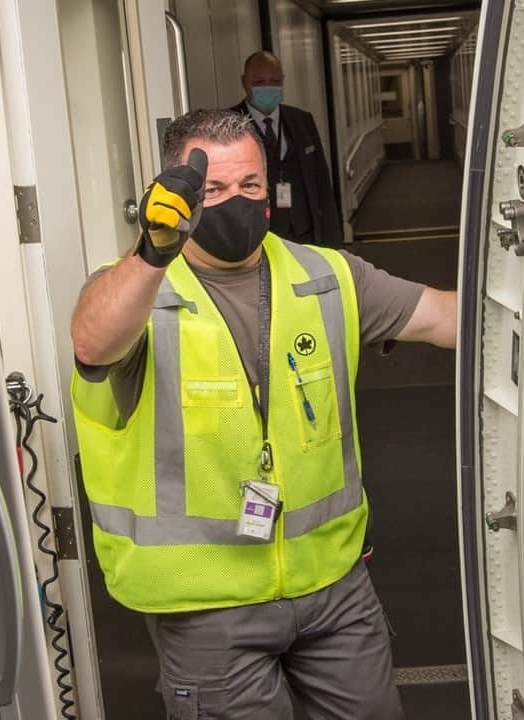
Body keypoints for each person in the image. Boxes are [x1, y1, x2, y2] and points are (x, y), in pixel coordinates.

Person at [70, 109, 457, 720]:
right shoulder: (140, 291)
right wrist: (151, 253)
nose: (235, 202)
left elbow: (447, 316)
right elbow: (93, 341)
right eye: (213, 190)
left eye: (250, 185)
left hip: (334, 590)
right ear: (176, 193)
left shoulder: (326, 276)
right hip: (207, 609)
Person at [231, 50, 343, 248]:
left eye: (275, 81)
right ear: (243, 82)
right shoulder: (230, 124)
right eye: (259, 82)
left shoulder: (302, 120)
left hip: (305, 232)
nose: (268, 88)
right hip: (261, 235)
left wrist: (334, 242)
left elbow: (321, 182)